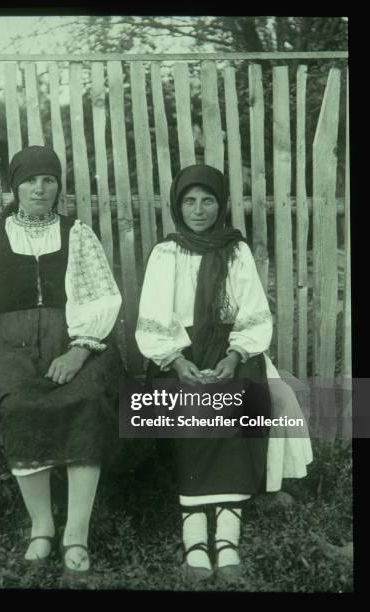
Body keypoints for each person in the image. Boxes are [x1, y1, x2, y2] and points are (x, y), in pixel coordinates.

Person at [0, 145, 124, 582]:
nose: (39, 188)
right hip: (9, 345)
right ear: (15, 186)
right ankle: (42, 526)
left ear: (58, 186)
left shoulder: (77, 233)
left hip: (74, 338)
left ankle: (77, 534)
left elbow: (102, 296)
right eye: (30, 180)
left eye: (48, 179)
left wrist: (80, 349)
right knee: (20, 407)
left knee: (86, 400)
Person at [135, 164, 312, 586]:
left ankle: (228, 537)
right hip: (178, 352)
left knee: (236, 399)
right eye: (190, 201)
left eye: (208, 200)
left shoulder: (236, 251)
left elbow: (252, 314)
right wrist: (178, 361)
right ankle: (195, 536)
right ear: (178, 205)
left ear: (221, 204)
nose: (199, 210)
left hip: (233, 348)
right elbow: (154, 318)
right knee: (192, 406)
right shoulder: (167, 253)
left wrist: (234, 357)